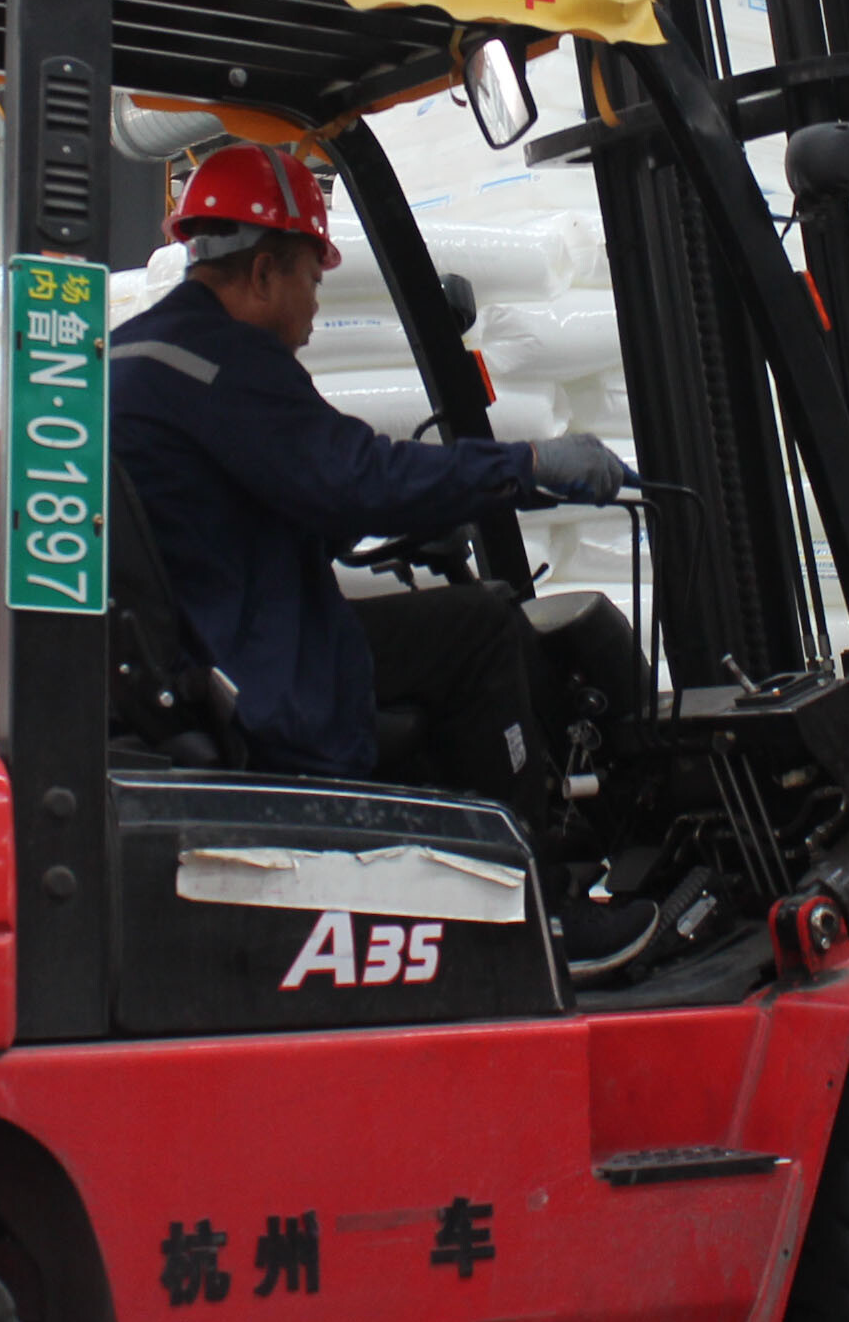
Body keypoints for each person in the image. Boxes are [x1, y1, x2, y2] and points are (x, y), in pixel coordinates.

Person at [112, 143, 658, 981]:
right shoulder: (229, 366)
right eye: (311, 282)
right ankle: (537, 911)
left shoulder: (139, 357)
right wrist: (525, 467)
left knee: (436, 629)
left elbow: (255, 505)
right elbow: (354, 476)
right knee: (477, 627)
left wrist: (381, 511)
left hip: (204, 648)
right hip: (253, 671)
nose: (314, 309)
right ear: (263, 273)